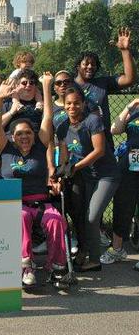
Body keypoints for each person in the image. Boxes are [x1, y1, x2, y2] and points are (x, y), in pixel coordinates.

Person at [0, 73, 67, 286]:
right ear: (12, 137)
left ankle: (57, 267)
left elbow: (47, 117)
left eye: (27, 133)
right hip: (16, 203)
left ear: (34, 135)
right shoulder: (5, 148)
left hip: (42, 202)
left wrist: (46, 87)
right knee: (21, 216)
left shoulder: (39, 147)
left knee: (55, 219)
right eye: (19, 134)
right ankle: (26, 266)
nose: (24, 137)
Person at [55, 85, 120, 272]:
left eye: (76, 103)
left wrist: (74, 167)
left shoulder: (93, 120)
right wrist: (62, 171)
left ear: (83, 104)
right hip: (87, 177)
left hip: (106, 175)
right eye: (68, 103)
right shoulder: (63, 127)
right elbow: (65, 155)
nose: (72, 107)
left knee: (92, 217)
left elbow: (99, 151)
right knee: (84, 216)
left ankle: (94, 260)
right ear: (64, 105)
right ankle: (88, 254)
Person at [74, 27, 137, 151]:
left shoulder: (102, 83)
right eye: (86, 63)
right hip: (78, 143)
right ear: (77, 66)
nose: (90, 66)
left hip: (104, 144)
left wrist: (125, 51)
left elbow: (130, 79)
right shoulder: (69, 85)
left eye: (93, 64)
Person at [99, 98, 139, 266]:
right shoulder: (135, 113)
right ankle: (117, 249)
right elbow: (115, 129)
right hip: (129, 164)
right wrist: (128, 108)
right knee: (122, 204)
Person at [0, 69, 43, 135]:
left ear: (35, 86)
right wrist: (12, 112)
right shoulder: (8, 103)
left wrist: (40, 102)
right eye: (24, 83)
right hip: (12, 143)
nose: (28, 85)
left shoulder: (41, 104)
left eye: (31, 83)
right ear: (17, 85)